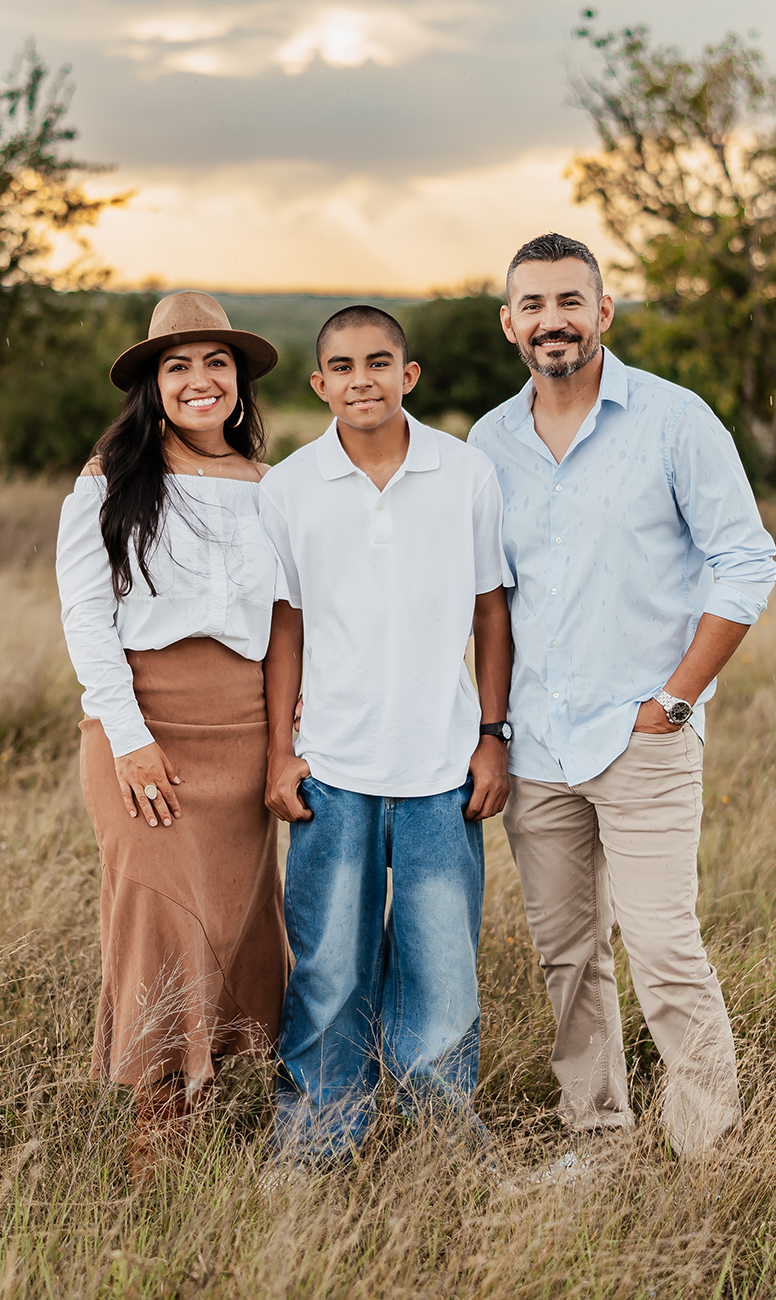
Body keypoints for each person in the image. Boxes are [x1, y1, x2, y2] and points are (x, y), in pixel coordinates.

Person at [468, 233, 776, 1160]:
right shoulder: (490, 442)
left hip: (643, 734)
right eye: (532, 305)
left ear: (604, 311)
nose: (551, 320)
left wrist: (678, 699)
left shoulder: (675, 421)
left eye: (571, 300)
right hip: (539, 746)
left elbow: (746, 560)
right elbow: (489, 597)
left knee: (665, 950)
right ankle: (597, 1137)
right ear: (508, 324)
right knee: (570, 959)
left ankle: (706, 1147)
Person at [258, 305, 515, 1165]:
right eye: (342, 365)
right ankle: (319, 1140)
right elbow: (284, 624)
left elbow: (491, 610)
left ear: (409, 375)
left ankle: (445, 1147)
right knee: (330, 972)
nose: (360, 379)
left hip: (443, 768)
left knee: (441, 980)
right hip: (333, 765)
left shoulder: (464, 472)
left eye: (379, 362)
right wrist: (278, 754)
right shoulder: (289, 488)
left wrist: (492, 734)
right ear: (318, 383)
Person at [54, 291, 292, 1177]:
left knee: (234, 922)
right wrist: (129, 736)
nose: (200, 380)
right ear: (154, 384)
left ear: (238, 382)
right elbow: (85, 617)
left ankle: (215, 1098)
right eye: (178, 365)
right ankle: (155, 1142)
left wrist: (284, 741)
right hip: (145, 726)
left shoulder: (274, 488)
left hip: (247, 729)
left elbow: (287, 624)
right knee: (159, 917)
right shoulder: (109, 481)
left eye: (216, 363)